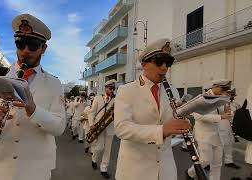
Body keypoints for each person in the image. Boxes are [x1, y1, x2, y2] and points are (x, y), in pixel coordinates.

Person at [0, 13, 66, 180]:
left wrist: (33, 110)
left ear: (44, 48)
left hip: (35, 170)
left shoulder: (54, 84)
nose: (25, 51)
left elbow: (59, 127)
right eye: (20, 44)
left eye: (33, 46)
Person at [114, 38, 191, 180]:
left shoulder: (172, 90)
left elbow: (171, 126)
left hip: (166, 171)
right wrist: (161, 131)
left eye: (168, 63)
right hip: (135, 171)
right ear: (144, 64)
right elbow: (121, 128)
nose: (164, 68)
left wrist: (181, 117)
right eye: (159, 62)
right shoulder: (126, 90)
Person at [186, 79, 233, 180]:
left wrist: (229, 111)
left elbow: (227, 114)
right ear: (215, 86)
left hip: (218, 134)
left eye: (226, 89)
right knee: (205, 160)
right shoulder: (202, 98)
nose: (224, 91)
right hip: (204, 134)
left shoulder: (221, 99)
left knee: (217, 163)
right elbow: (199, 117)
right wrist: (221, 117)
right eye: (223, 88)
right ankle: (190, 173)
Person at [88, 79, 116, 179]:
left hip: (110, 128)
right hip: (99, 127)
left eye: (113, 88)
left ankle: (104, 168)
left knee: (107, 150)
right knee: (99, 147)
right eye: (110, 88)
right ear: (105, 88)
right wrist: (91, 124)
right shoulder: (98, 98)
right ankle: (94, 159)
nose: (112, 90)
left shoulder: (116, 99)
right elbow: (92, 112)